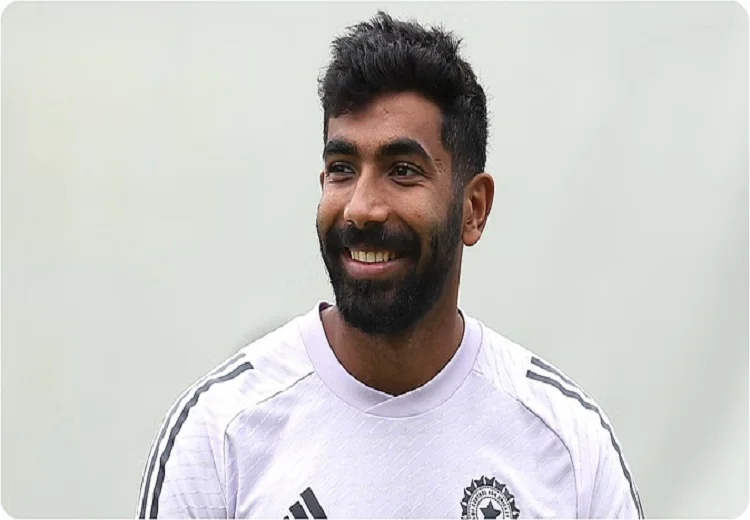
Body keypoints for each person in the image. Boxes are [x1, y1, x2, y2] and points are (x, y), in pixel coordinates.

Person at [136, 11, 644, 519]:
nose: (361, 208)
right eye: (342, 169)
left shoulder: (569, 448)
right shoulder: (219, 435)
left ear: (473, 209)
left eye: (402, 171)